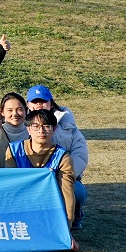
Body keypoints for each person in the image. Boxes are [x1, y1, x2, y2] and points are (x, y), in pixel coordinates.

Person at [6, 108, 79, 232]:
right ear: (28, 129)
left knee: (79, 192)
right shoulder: (14, 151)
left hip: (49, 202)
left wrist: (67, 227)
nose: (41, 131)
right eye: (36, 126)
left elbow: (66, 192)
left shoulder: (62, 157)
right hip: (22, 201)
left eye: (46, 126)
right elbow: (11, 186)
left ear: (54, 129)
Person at [26, 84, 89, 225]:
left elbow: (80, 154)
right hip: (34, 178)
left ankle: (74, 215)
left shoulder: (68, 123)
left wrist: (63, 175)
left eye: (43, 101)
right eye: (35, 101)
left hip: (63, 175)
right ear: (28, 104)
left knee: (77, 192)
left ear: (51, 103)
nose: (39, 105)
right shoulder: (23, 123)